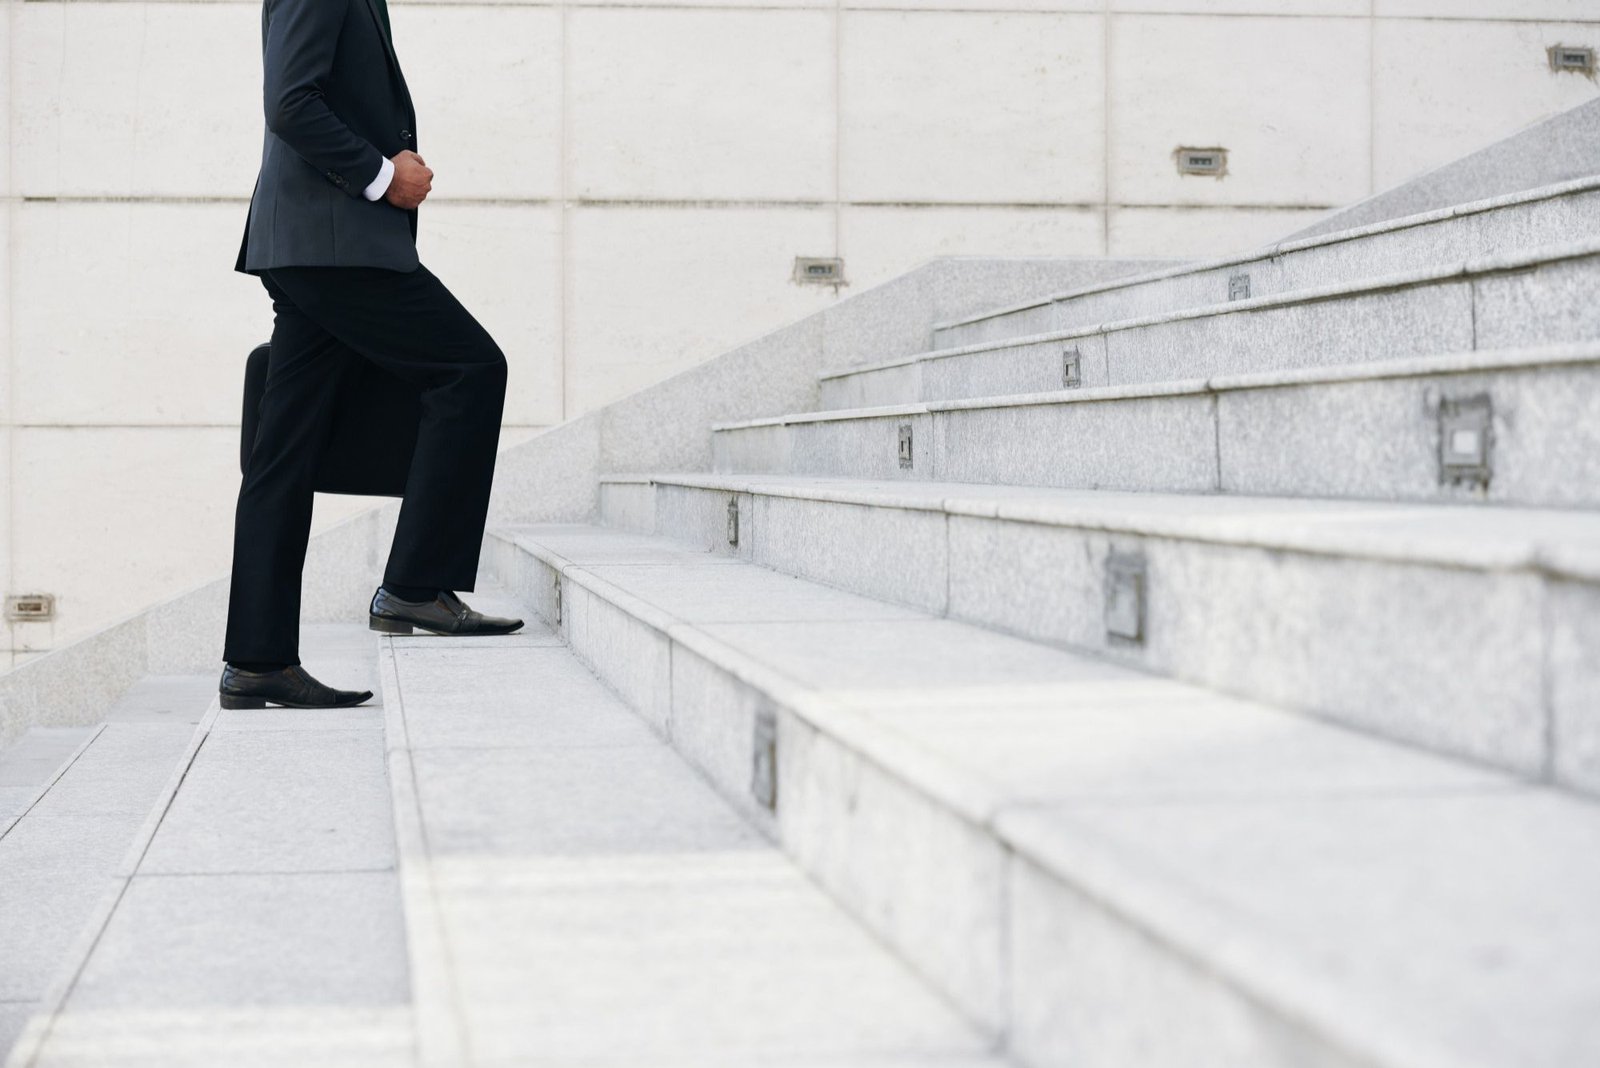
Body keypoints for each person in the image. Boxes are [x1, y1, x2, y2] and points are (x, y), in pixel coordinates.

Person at [219, 0, 523, 711]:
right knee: (469, 367)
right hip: (333, 247)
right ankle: (414, 586)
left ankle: (257, 660)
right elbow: (290, 102)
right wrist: (383, 176)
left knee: (282, 451)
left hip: (314, 245)